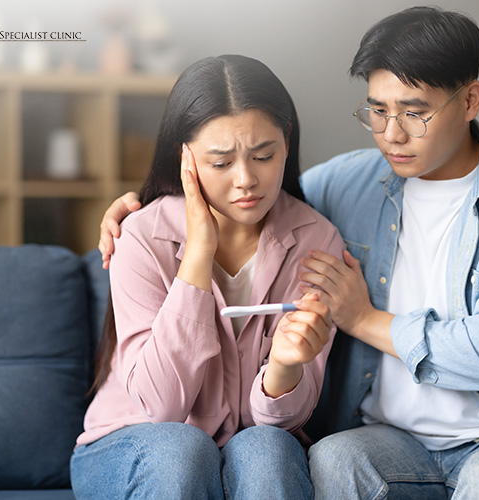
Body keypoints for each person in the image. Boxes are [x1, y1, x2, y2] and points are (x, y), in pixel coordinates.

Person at [98, 7, 479, 500]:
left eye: (415, 112)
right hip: (388, 437)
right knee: (333, 459)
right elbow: (249, 196)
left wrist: (362, 319)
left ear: (470, 100)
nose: (392, 134)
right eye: (378, 111)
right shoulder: (349, 182)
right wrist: (138, 208)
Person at [72, 54, 344, 500]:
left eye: (264, 155)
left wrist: (285, 367)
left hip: (250, 443)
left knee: (268, 448)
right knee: (183, 449)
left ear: (287, 142)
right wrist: (198, 254)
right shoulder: (140, 236)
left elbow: (284, 421)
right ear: (186, 156)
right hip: (134, 442)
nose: (246, 180)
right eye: (220, 163)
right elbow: (162, 407)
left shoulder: (317, 240)